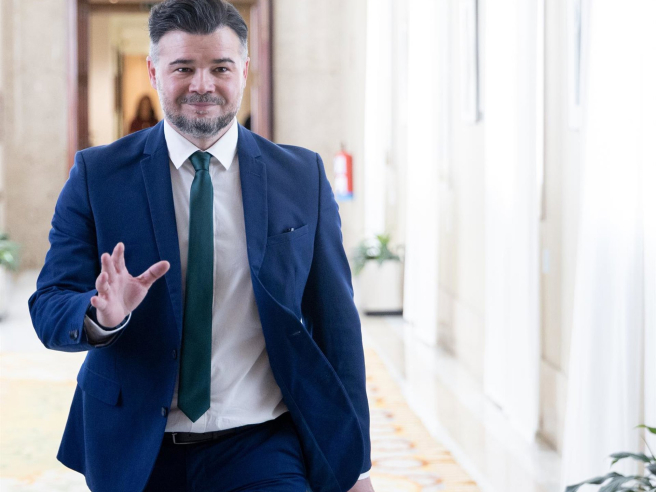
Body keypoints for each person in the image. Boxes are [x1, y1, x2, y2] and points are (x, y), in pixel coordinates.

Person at [28, 1, 373, 491]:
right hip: (136, 448)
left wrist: (356, 467)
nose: (202, 85)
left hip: (262, 443)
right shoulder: (97, 177)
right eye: (184, 68)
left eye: (220, 68)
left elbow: (337, 327)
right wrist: (101, 316)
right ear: (154, 72)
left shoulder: (301, 177)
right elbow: (50, 302)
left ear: (245, 71)